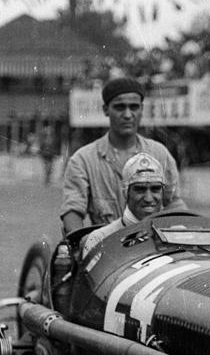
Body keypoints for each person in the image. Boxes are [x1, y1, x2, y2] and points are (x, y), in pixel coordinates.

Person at [60, 76, 185, 234]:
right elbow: (73, 209)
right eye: (120, 107)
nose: (127, 115)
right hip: (107, 247)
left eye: (134, 107)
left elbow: (174, 202)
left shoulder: (159, 153)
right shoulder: (83, 160)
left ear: (141, 109)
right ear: (106, 109)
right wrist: (80, 241)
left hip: (152, 246)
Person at [81, 152, 168, 254]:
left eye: (155, 189)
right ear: (126, 193)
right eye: (140, 189)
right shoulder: (99, 239)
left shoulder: (176, 235)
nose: (148, 198)